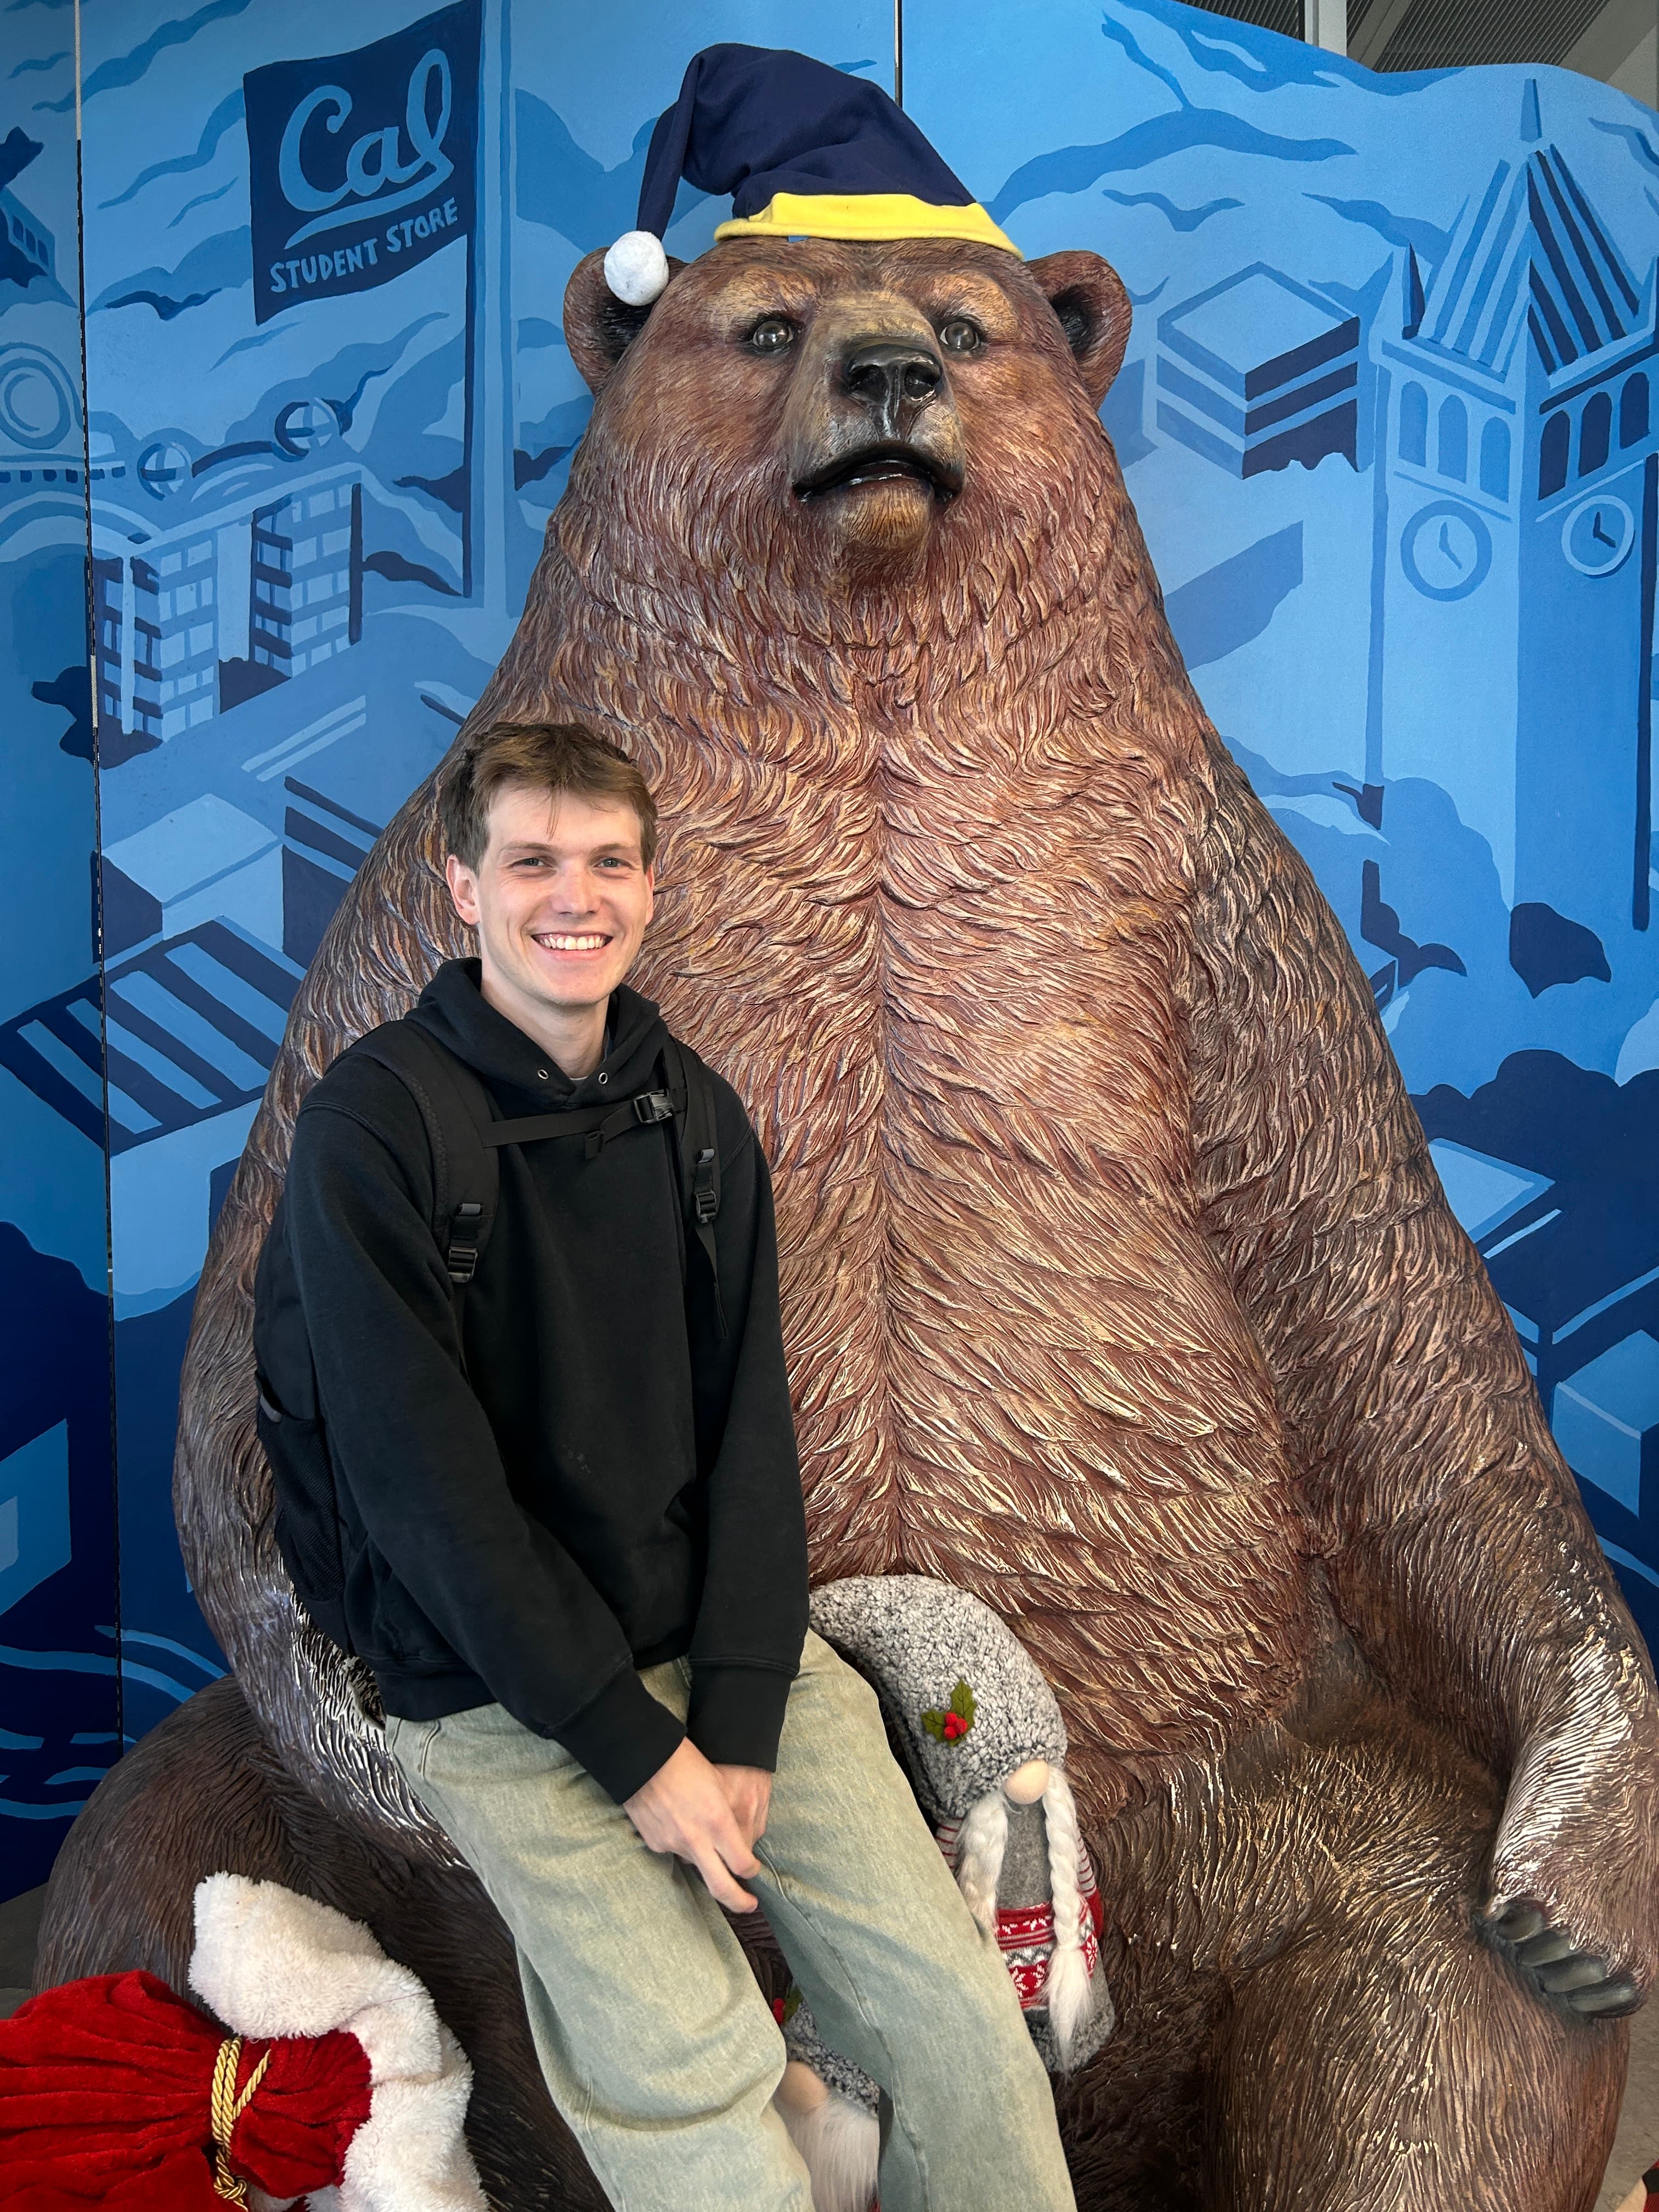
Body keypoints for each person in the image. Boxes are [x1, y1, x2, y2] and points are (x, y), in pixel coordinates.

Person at [280, 719, 1077, 2212]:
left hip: (709, 1640)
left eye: (607, 862)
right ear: (462, 887)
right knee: (689, 2061)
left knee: (960, 2015)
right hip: (498, 1683)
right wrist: (636, 1753)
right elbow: (422, 1493)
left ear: (649, 888)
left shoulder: (698, 1118)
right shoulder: (373, 1132)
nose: (570, 898)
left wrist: (742, 1719)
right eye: (531, 861)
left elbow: (748, 1436)